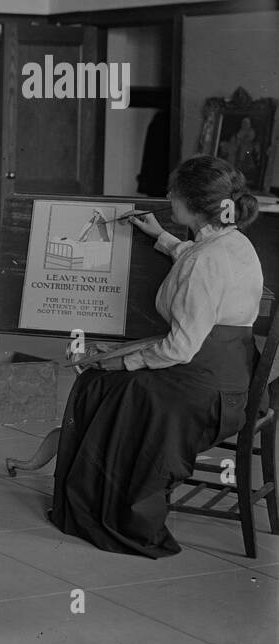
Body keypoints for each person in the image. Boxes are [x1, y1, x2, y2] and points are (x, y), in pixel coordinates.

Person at [50, 155, 263, 558]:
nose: (168, 197)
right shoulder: (231, 242)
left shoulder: (206, 261)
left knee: (103, 384)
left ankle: (110, 510)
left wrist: (124, 360)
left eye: (175, 193)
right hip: (231, 378)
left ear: (194, 204)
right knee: (107, 382)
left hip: (205, 390)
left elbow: (179, 347)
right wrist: (162, 237)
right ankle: (99, 497)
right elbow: (197, 262)